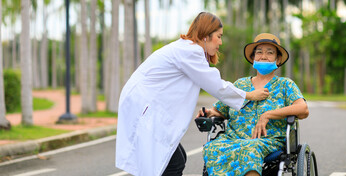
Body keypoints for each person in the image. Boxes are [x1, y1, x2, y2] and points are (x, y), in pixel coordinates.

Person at [115, 12, 269, 176]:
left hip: (145, 105)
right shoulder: (190, 51)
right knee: (171, 164)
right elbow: (215, 84)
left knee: (175, 159)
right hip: (145, 107)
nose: (221, 42)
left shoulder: (187, 49)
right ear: (206, 35)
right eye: (218, 36)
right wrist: (250, 95)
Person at [197, 33, 309, 176]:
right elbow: (222, 109)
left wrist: (268, 114)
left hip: (267, 140)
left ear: (278, 59)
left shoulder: (285, 85)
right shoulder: (240, 84)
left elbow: (303, 109)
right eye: (259, 52)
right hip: (233, 138)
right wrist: (210, 112)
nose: (263, 56)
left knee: (250, 149)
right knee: (212, 147)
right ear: (253, 57)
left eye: (270, 53)